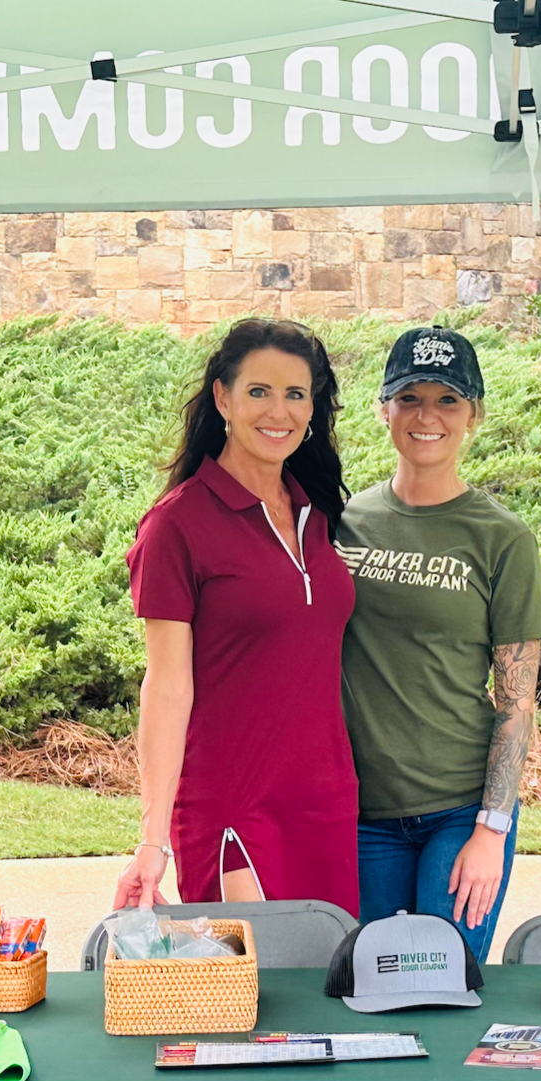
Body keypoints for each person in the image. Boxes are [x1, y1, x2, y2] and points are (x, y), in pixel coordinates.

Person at [113, 319, 359, 915]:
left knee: (326, 995)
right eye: (259, 391)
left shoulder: (316, 513)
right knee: (255, 993)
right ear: (222, 397)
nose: (279, 411)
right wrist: (152, 840)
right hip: (233, 809)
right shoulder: (176, 525)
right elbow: (167, 687)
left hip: (327, 805)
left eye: (296, 394)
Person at [338, 327, 541, 962]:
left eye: (448, 400)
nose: (427, 416)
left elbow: (516, 704)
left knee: (441, 984)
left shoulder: (502, 539)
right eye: (410, 398)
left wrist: (492, 828)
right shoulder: (340, 522)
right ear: (383, 409)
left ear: (474, 416)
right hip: (357, 812)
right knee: (369, 985)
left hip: (459, 812)